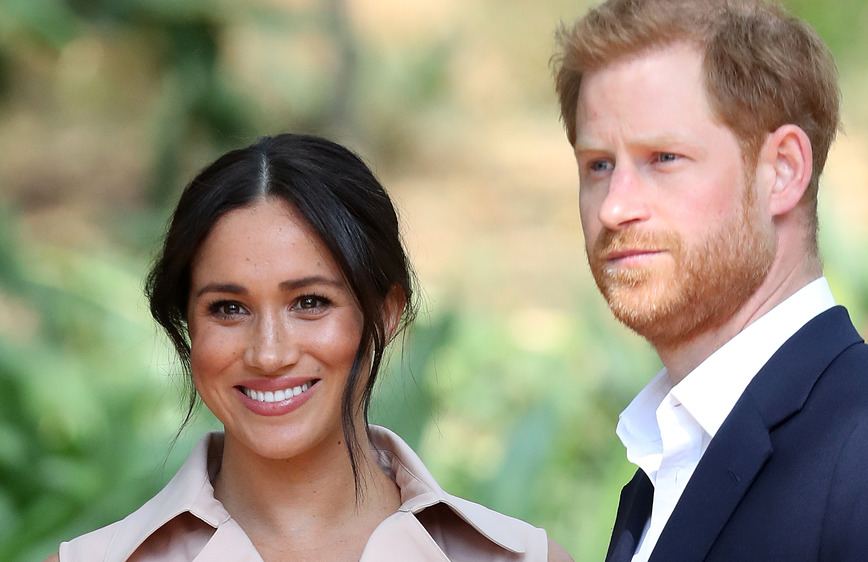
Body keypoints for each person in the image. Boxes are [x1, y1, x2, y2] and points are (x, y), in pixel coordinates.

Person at [551, 0, 868, 560]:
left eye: (663, 157)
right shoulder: (667, 463)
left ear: (783, 170)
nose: (615, 207)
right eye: (598, 164)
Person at [48, 134, 573, 561]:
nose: (269, 354)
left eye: (310, 302)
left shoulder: (521, 559)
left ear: (385, 314)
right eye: (229, 308)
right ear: (188, 325)